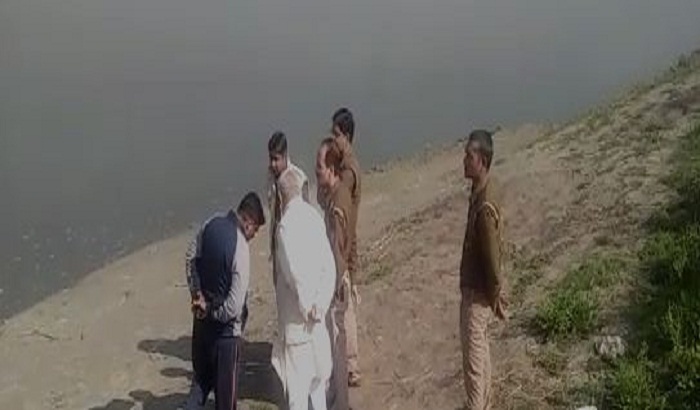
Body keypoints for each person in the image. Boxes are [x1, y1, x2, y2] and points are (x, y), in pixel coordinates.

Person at [184, 192, 266, 410]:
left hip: (201, 327)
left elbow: (190, 257)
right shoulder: (240, 248)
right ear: (248, 221)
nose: (253, 236)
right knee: (226, 402)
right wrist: (211, 310)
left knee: (199, 385)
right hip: (226, 338)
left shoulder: (211, 223)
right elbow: (235, 305)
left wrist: (197, 295)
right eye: (255, 230)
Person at [271, 169, 336, 410]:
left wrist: (307, 305)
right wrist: (321, 304)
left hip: (298, 326)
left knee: (297, 395)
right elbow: (328, 266)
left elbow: (293, 273)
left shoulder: (285, 227)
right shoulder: (314, 217)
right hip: (317, 321)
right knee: (318, 388)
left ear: (280, 198)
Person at [459, 130, 507, 410]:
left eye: (469, 156)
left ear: (483, 161)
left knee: (474, 365)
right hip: (480, 293)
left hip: (478, 296)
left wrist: (495, 295)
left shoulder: (484, 203)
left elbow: (492, 257)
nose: (464, 160)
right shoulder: (482, 191)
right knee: (482, 358)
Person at [316, 137, 352, 410]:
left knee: (337, 347)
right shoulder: (333, 196)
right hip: (336, 279)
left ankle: (340, 403)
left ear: (332, 170)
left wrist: (332, 284)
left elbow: (338, 250)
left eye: (320, 167)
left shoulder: (339, 203)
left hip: (336, 283)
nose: (317, 171)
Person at [330, 108, 362, 387]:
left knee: (345, 307)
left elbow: (344, 217)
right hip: (346, 246)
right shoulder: (346, 165)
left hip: (345, 247)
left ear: (347, 136)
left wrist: (345, 259)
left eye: (336, 134)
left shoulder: (348, 173)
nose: (333, 139)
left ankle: (350, 365)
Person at [267, 131, 310, 287]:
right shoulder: (270, 177)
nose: (273, 164)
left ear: (285, 156)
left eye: (276, 159)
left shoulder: (299, 179)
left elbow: (307, 216)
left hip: (295, 246)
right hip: (278, 245)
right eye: (270, 158)